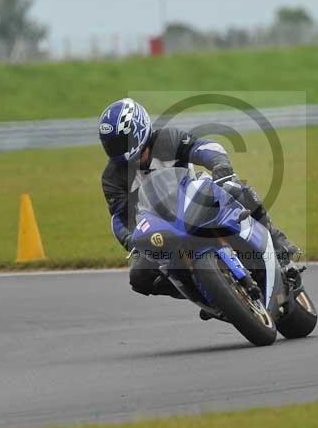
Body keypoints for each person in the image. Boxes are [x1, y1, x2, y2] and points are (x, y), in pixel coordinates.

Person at [99, 98, 300, 298]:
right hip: (161, 226)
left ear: (137, 130)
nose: (116, 149)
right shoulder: (112, 178)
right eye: (111, 144)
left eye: (120, 142)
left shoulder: (167, 139)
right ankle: (205, 294)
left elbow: (203, 148)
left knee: (237, 189)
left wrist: (220, 167)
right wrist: (130, 239)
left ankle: (281, 249)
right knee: (139, 278)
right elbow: (118, 217)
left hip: (196, 196)